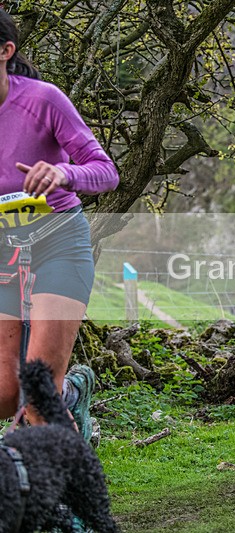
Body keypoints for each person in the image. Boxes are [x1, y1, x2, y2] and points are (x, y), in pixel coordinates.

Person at [0, 8, 119, 442]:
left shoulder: (43, 100)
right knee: (4, 394)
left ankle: (70, 504)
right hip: (2, 254)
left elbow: (106, 172)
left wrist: (63, 173)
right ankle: (73, 395)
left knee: (36, 399)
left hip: (57, 243)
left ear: (5, 51)